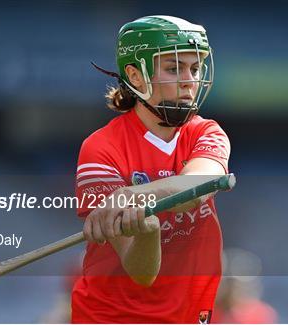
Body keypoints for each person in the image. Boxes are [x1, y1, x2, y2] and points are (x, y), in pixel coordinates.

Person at [72, 15, 231, 324]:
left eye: (195, 68)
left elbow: (201, 185)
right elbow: (142, 273)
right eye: (174, 69)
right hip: (112, 317)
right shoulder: (101, 148)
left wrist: (131, 195)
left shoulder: (206, 132)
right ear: (135, 76)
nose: (189, 80)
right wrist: (148, 231)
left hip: (189, 315)